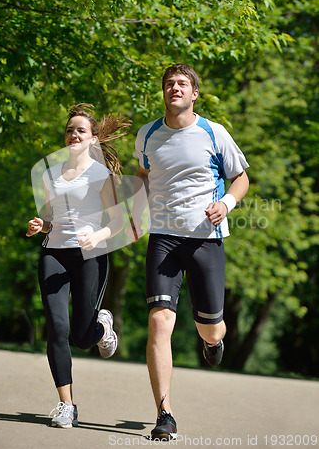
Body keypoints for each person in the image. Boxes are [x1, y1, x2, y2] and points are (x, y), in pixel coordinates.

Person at [129, 64, 249, 440]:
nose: (174, 88)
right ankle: (164, 413)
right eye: (169, 84)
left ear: (194, 93)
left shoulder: (213, 132)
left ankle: (214, 341)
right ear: (163, 92)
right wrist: (135, 215)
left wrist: (226, 203)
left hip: (205, 239)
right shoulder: (147, 134)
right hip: (163, 238)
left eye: (182, 84)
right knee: (159, 322)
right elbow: (144, 176)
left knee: (209, 327)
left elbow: (241, 177)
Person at [27, 103, 129, 428]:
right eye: (70, 130)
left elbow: (119, 223)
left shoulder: (103, 176)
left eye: (80, 130)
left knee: (83, 338)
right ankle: (66, 405)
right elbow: (51, 220)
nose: (74, 134)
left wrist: (97, 236)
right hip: (54, 254)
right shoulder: (49, 174)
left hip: (91, 256)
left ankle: (102, 326)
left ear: (92, 138)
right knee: (57, 328)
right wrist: (39, 225)